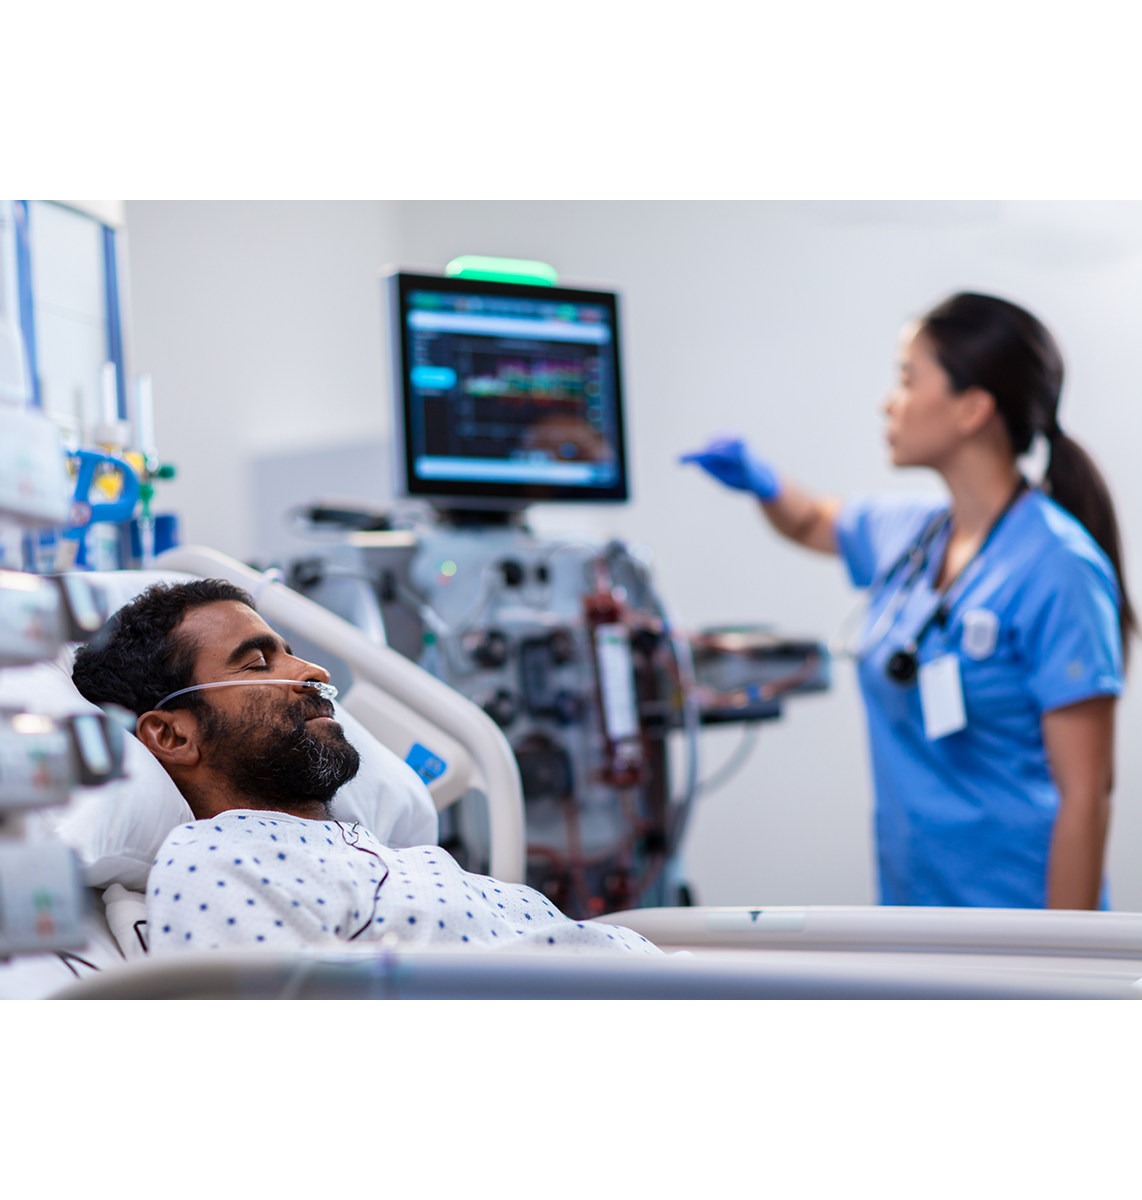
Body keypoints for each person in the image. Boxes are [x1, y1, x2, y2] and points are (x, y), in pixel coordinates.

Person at [681, 292, 1131, 910]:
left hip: (1019, 917)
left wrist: (1064, 959)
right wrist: (762, 481)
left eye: (906, 378)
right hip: (915, 908)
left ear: (973, 408)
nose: (887, 401)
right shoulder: (914, 533)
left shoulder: (1059, 567)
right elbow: (813, 520)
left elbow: (1087, 793)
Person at [72, 579, 659, 956]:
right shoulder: (218, 861)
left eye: (291, 650)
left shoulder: (377, 854)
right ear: (173, 734)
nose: (315, 673)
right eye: (256, 662)